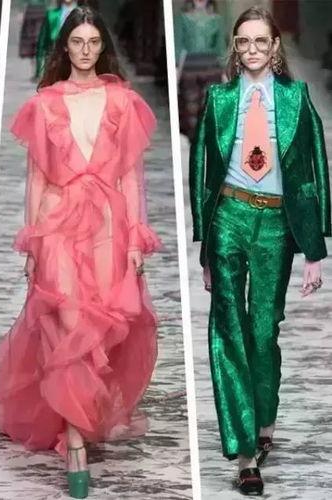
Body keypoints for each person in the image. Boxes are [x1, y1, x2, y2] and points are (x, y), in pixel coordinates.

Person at [0, 6, 160, 499]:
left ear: (103, 46)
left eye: (93, 42)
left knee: (99, 326)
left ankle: (78, 416)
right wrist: (32, 241)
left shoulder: (122, 101)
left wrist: (135, 240)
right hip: (57, 222)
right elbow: (37, 178)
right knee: (66, 322)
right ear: (65, 46)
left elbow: (131, 178)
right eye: (77, 42)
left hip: (107, 224)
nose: (85, 50)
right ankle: (75, 441)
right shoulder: (44, 104)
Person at [189, 6, 330, 495]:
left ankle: (264, 418)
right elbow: (202, 173)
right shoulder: (219, 99)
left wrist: (314, 250)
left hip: (274, 222)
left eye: (260, 41)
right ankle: (246, 451)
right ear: (234, 46)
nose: (251, 49)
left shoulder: (296, 98)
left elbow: (312, 171)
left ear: (274, 47)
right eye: (243, 41)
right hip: (228, 216)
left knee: (264, 330)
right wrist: (206, 248)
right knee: (228, 328)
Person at [174, 0, 225, 141]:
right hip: (192, 68)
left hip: (209, 67)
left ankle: (204, 142)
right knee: (192, 108)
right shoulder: (183, 18)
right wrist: (177, 69)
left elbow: (220, 48)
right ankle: (197, 142)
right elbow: (179, 46)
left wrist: (225, 71)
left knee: (208, 107)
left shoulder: (217, 19)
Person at [35, 0, 79, 79]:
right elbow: (42, 44)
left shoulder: (85, 15)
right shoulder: (51, 15)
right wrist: (39, 70)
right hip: (55, 68)